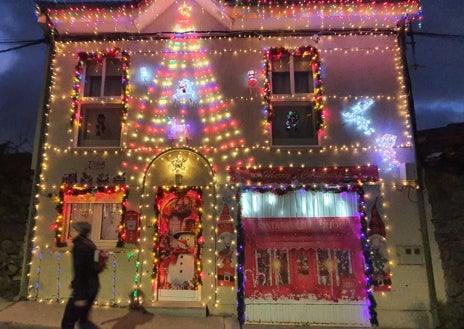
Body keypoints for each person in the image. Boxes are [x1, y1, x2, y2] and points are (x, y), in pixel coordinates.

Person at [61, 221, 100, 329]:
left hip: (83, 289)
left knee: (68, 322)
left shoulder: (79, 247)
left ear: (79, 232)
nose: (71, 232)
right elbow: (93, 267)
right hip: (93, 286)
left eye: (73, 230)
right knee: (83, 321)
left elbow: (80, 270)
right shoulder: (91, 244)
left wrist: (80, 296)